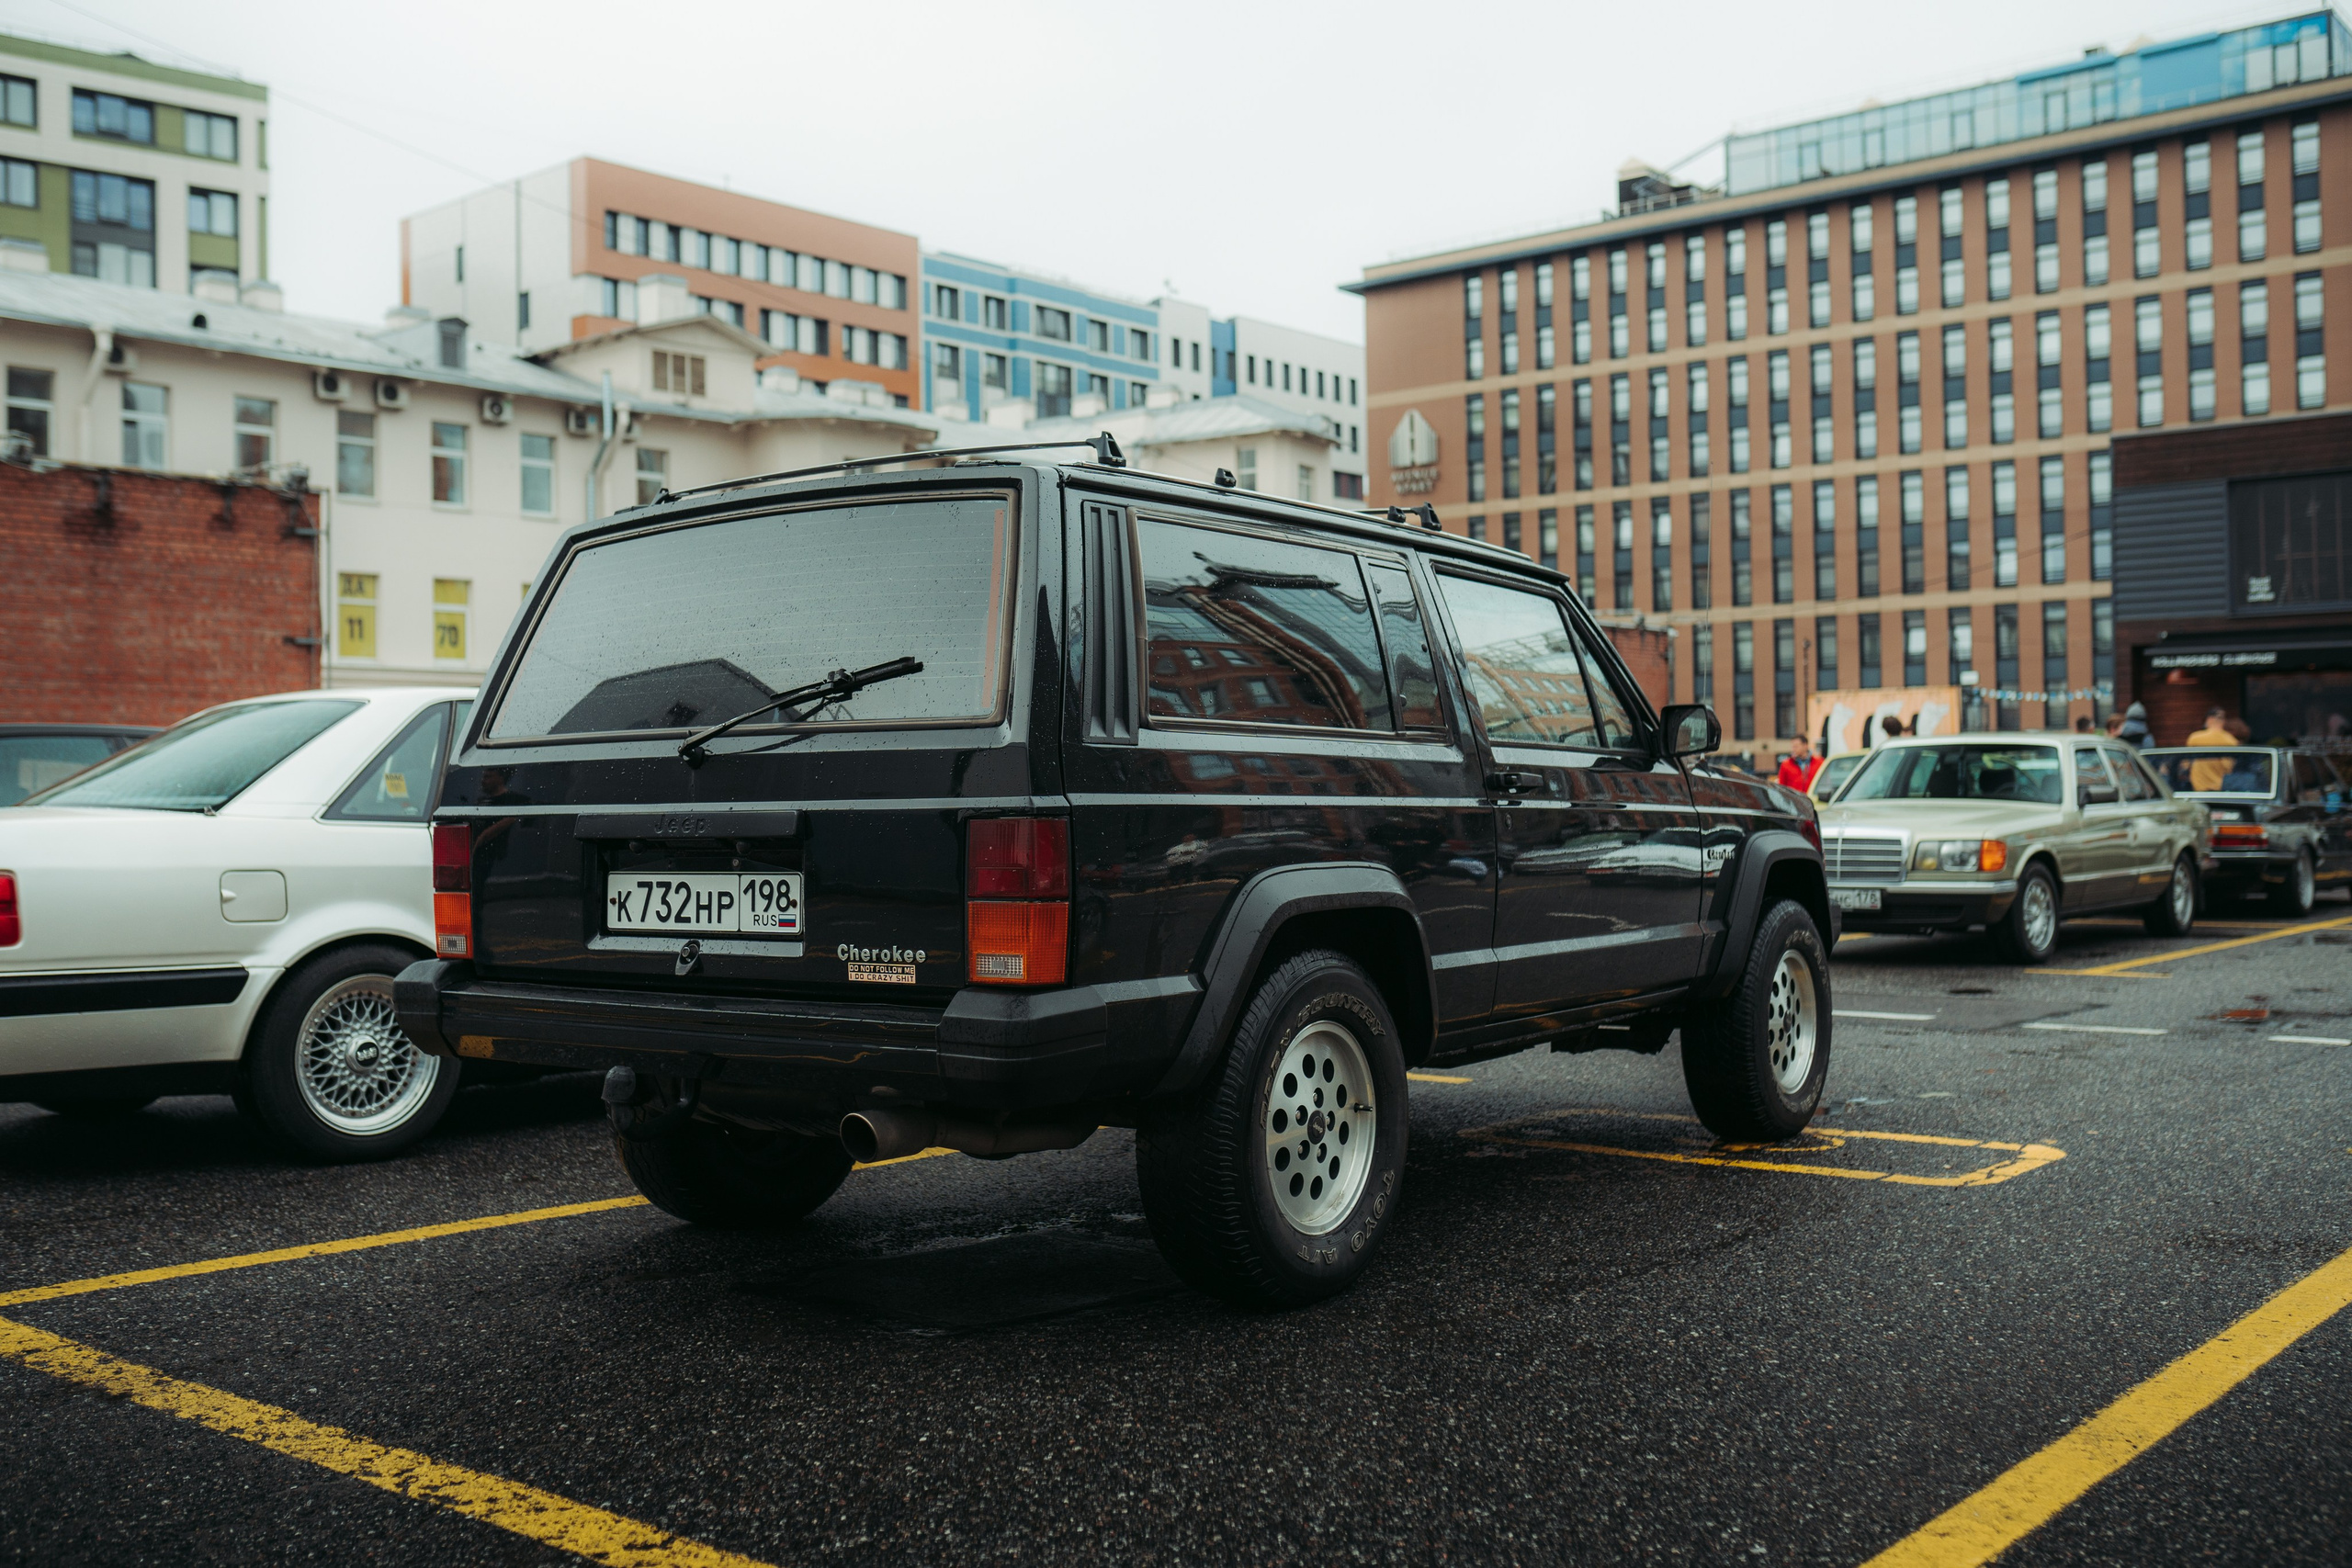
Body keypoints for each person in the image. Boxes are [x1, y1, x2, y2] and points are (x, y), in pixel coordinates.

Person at [2187, 705, 2237, 791]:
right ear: (2223, 721)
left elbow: (2186, 764)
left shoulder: (2195, 738)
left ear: (2209, 719)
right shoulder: (2231, 741)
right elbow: (2229, 768)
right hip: (2221, 787)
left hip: (2198, 788)